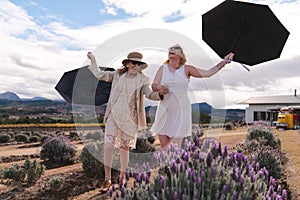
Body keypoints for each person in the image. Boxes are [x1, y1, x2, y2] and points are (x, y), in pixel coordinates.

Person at [87, 51, 168, 193]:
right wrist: (93, 59)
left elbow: (149, 94)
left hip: (129, 117)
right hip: (113, 114)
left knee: (124, 148)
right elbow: (99, 74)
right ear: (127, 63)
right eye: (133, 63)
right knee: (108, 145)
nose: (136, 66)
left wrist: (160, 93)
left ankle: (122, 176)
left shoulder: (143, 80)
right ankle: (107, 179)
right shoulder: (117, 75)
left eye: (139, 64)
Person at [150, 44, 234, 151]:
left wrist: (224, 62)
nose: (171, 50)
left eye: (175, 50)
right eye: (170, 50)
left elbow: (208, 73)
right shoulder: (162, 68)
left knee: (175, 147)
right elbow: (153, 86)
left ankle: (175, 166)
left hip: (181, 110)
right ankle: (165, 167)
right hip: (165, 108)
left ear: (181, 55)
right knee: (164, 146)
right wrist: (160, 87)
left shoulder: (187, 69)